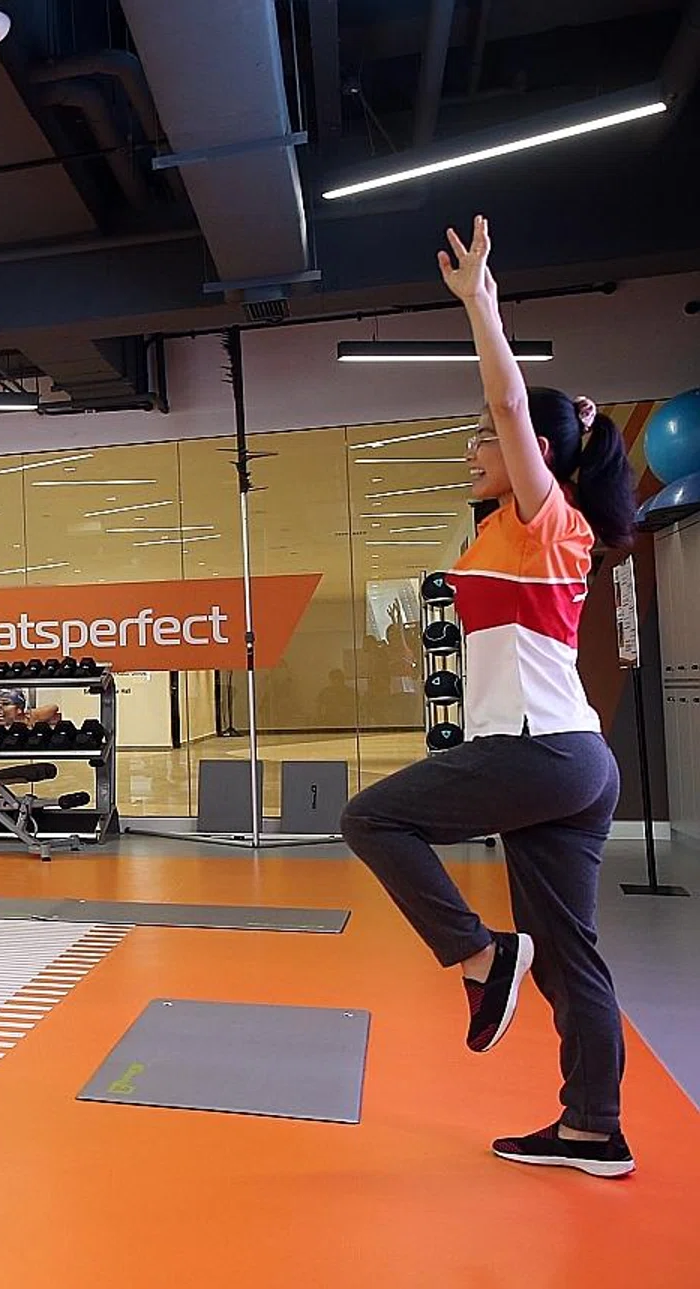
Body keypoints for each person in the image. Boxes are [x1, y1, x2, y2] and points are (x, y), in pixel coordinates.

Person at [340, 216, 639, 1179]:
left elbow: (511, 401)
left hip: (537, 749)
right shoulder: (515, 534)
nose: (476, 447)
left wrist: (483, 306)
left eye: (487, 440)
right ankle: (594, 1128)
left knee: (370, 817)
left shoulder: (544, 520)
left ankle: (479, 958)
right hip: (573, 761)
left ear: (537, 457)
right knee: (572, 955)